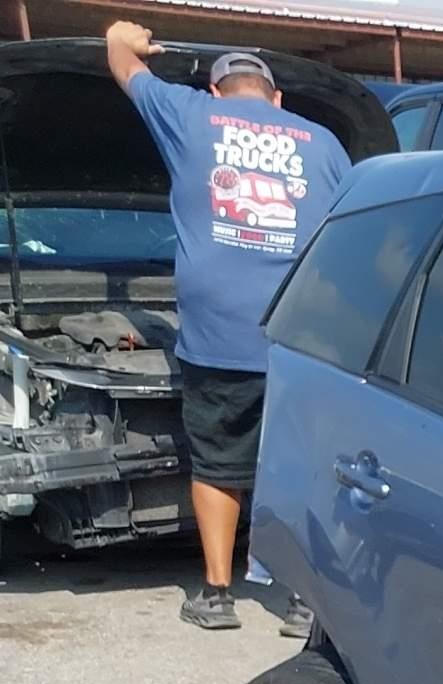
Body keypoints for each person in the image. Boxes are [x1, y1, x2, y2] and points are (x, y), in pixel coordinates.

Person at [101, 22, 349, 632]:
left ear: (216, 94)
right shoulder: (322, 142)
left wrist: (124, 34)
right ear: (277, 100)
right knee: (296, 465)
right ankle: (300, 602)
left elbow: (122, 60)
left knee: (217, 461)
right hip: (302, 338)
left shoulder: (190, 117)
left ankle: (216, 595)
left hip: (218, 336)